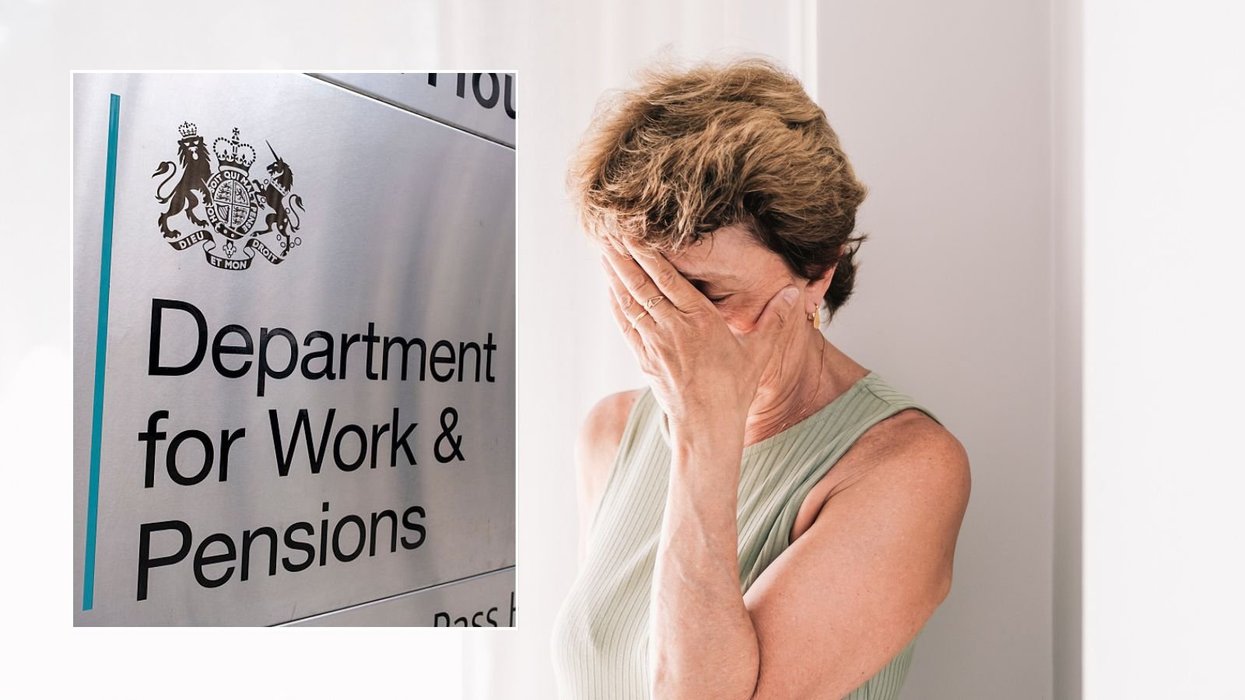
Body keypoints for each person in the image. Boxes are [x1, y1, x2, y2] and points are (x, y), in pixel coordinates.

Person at [550, 57, 971, 699]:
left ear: (817, 275)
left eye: (705, 294)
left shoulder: (907, 469)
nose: (670, 328)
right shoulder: (611, 434)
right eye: (645, 289)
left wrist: (705, 430)